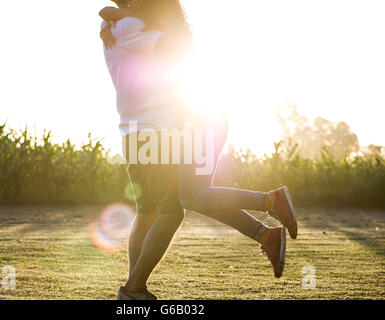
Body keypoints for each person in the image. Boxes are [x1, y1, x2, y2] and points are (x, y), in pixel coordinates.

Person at [99, 0, 298, 300]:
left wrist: (119, 14)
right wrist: (123, 14)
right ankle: (269, 211)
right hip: (158, 128)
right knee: (173, 206)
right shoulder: (132, 25)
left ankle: (134, 289)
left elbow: (177, 57)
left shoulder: (119, 24)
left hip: (157, 127)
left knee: (166, 207)